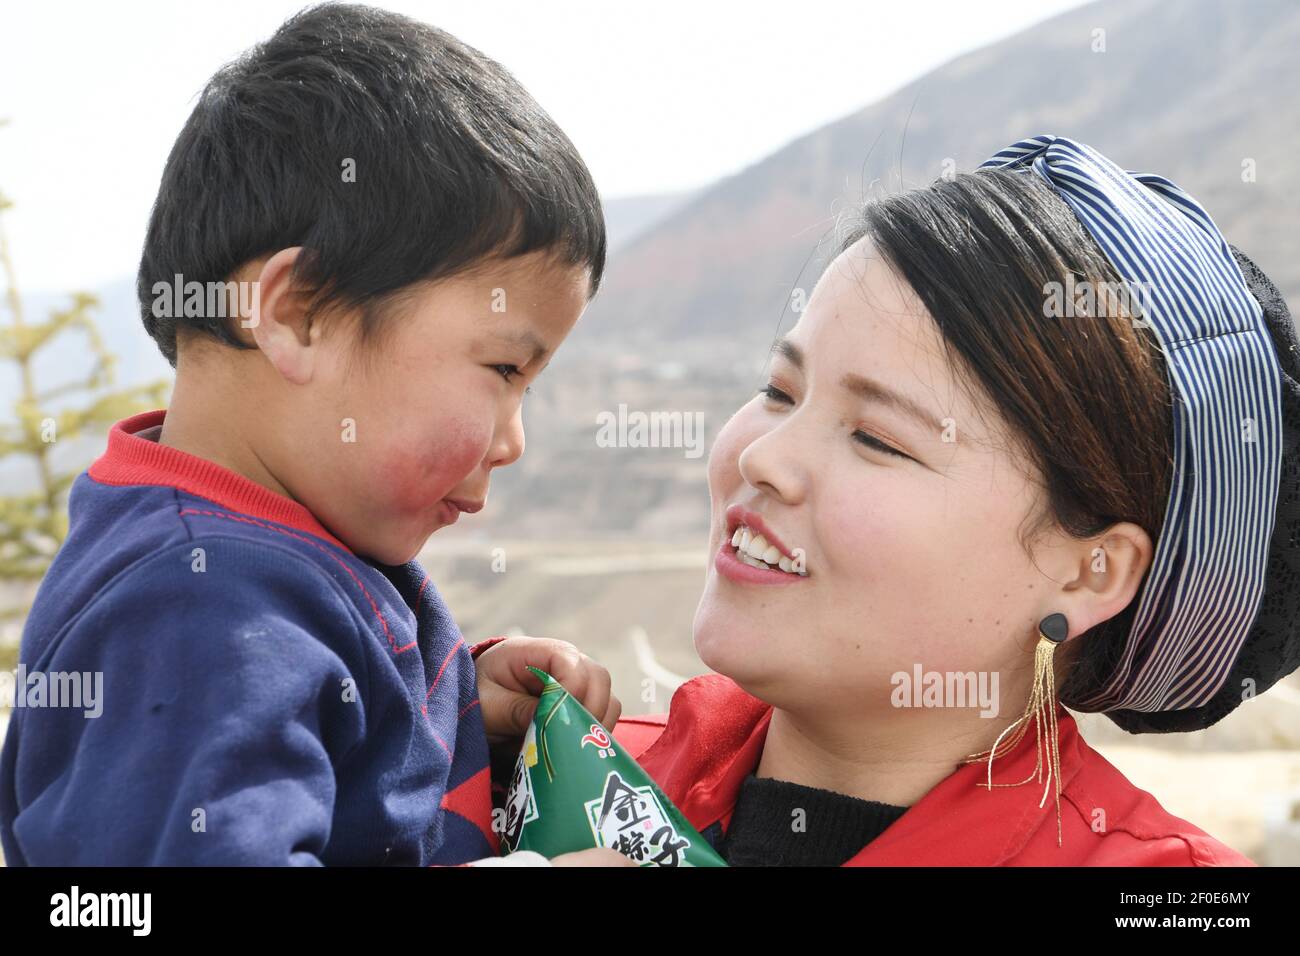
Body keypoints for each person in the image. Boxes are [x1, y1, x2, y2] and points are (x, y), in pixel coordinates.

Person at [0, 3, 629, 866]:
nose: (512, 440)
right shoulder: (197, 610)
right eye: (505, 372)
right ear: (299, 314)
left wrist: (455, 710)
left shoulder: (257, 554)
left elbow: (331, 752)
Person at [613, 135, 1300, 866]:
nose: (762, 457)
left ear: (1089, 570)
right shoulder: (557, 777)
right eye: (779, 392)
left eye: (877, 438)